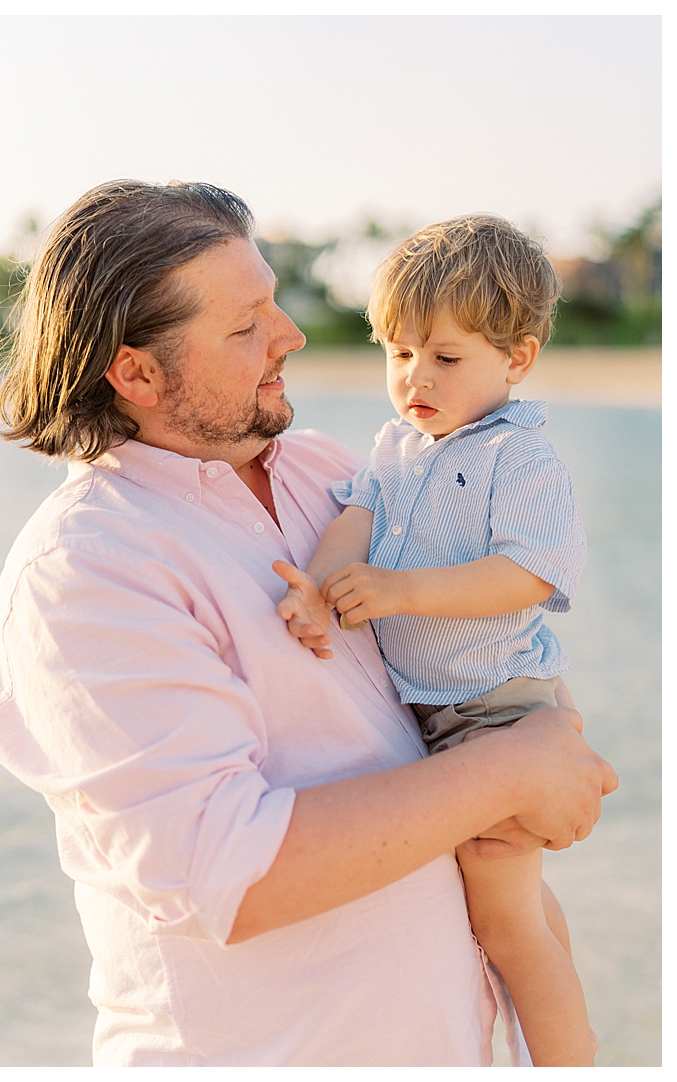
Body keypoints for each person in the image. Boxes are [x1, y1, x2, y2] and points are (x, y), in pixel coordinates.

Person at [0, 180, 617, 1066]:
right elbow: (228, 874)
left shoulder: (324, 471)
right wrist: (511, 769)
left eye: (274, 303)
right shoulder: (87, 570)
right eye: (246, 326)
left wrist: (545, 724)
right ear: (137, 373)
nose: (292, 336)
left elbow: (466, 632)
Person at [273, 215, 592, 1064]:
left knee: (502, 920)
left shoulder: (520, 458)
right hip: (437, 710)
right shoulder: (398, 445)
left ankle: (574, 1059)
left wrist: (400, 591)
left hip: (496, 709)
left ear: (515, 360)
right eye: (399, 352)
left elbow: (529, 574)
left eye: (446, 358)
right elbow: (357, 514)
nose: (416, 376)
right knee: (517, 901)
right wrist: (318, 586)